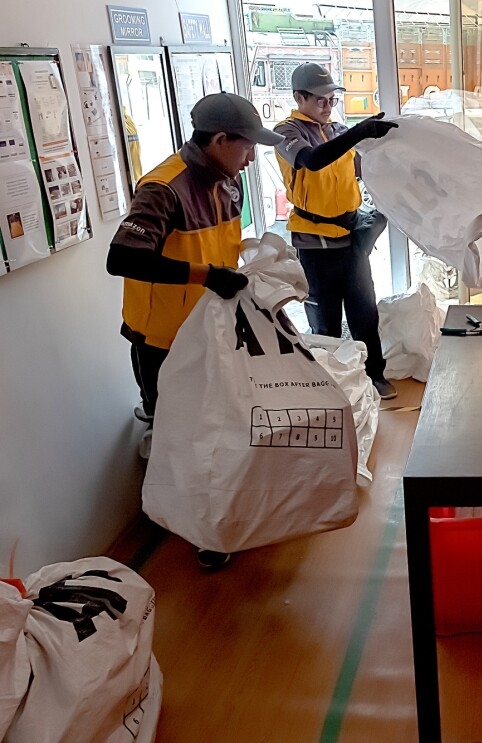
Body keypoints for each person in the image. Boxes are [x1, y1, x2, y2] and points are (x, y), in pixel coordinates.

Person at [106, 92, 283, 570]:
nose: (251, 159)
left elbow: (217, 247)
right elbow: (121, 258)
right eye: (247, 147)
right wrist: (206, 276)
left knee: (222, 427)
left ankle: (219, 516)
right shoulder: (164, 189)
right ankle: (195, 527)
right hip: (164, 341)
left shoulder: (229, 182)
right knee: (180, 434)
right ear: (220, 139)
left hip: (212, 328)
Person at [273, 63, 398, 399]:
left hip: (351, 236)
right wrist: (357, 133)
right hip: (315, 243)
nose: (328, 107)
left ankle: (374, 376)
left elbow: (360, 167)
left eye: (332, 100)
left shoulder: (338, 129)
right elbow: (313, 161)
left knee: (363, 310)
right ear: (299, 97)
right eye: (320, 100)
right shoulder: (286, 132)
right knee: (325, 320)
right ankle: (329, 387)